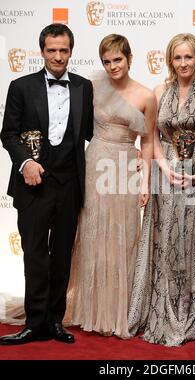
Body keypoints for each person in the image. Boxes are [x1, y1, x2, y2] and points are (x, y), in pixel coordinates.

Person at [128, 33, 195, 346]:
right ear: (170, 60)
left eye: (188, 57)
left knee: (192, 242)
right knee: (166, 239)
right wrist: (163, 165)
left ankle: (192, 312)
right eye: (177, 57)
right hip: (165, 171)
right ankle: (161, 308)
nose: (183, 63)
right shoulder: (160, 91)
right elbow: (152, 136)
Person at [0, 23, 94, 345]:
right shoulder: (21, 86)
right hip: (33, 185)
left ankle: (55, 321)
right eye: (51, 50)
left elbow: (93, 133)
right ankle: (34, 322)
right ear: (41, 51)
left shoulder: (83, 87)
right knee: (35, 255)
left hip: (69, 184)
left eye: (63, 50)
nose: (57, 56)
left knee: (62, 257)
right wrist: (26, 163)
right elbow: (8, 133)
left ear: (71, 51)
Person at [65, 34, 156, 338]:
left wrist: (145, 182)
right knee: (92, 234)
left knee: (123, 236)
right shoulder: (92, 87)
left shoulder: (146, 96)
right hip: (94, 166)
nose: (113, 66)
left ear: (130, 58)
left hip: (125, 170)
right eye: (107, 61)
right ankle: (89, 309)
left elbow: (149, 142)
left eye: (118, 59)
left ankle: (121, 311)